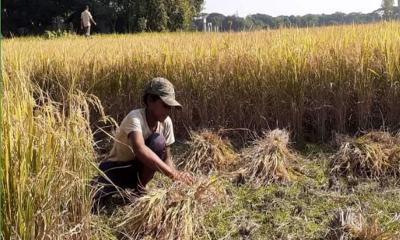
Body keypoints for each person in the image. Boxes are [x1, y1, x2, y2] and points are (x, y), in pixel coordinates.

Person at [92, 77, 193, 211]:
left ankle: (138, 189)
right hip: (116, 168)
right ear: (150, 100)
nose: (168, 111)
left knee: (158, 142)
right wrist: (174, 175)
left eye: (170, 107)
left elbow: (166, 156)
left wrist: (177, 179)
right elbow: (140, 149)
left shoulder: (166, 122)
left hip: (139, 171)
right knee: (93, 199)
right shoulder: (135, 118)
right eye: (165, 105)